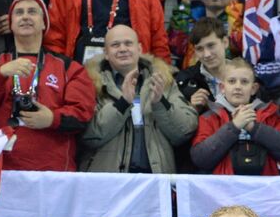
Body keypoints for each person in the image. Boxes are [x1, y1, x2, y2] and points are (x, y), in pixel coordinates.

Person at [0, 0, 96, 173]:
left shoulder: (70, 68)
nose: (25, 16)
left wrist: (52, 119)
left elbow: (83, 114)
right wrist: (0, 74)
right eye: (19, 13)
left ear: (44, 23)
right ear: (10, 24)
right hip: (2, 169)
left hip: (54, 172)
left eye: (32, 11)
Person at [80, 23, 197, 173]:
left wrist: (160, 103)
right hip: (108, 184)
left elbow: (184, 131)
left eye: (128, 43)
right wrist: (122, 104)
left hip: (154, 181)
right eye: (115, 45)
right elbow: (89, 135)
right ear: (106, 53)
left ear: (139, 49)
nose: (123, 49)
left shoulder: (164, 80)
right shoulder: (90, 83)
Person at [44, 0, 169, 64]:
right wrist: (60, 73)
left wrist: (162, 71)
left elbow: (157, 33)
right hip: (79, 74)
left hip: (130, 74)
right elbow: (54, 39)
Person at [190, 57, 280, 175]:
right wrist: (234, 126)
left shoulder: (270, 114)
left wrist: (254, 127)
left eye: (244, 82)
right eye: (231, 81)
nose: (238, 86)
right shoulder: (209, 116)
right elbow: (200, 158)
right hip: (224, 191)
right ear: (222, 88)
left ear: (253, 89)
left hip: (263, 190)